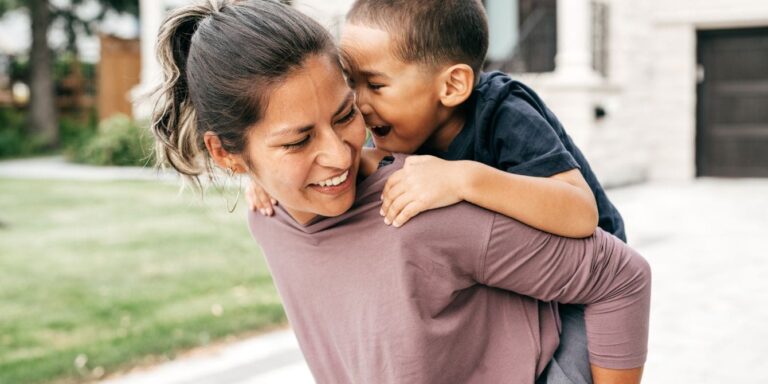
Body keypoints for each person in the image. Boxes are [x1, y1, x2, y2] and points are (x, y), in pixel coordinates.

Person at [152, 1, 651, 383]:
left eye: (347, 111)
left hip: (578, 276)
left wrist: (464, 179)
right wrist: (260, 178)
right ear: (227, 154)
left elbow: (593, 233)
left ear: (451, 86)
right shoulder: (272, 218)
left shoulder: (496, 122)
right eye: (298, 140)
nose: (345, 150)